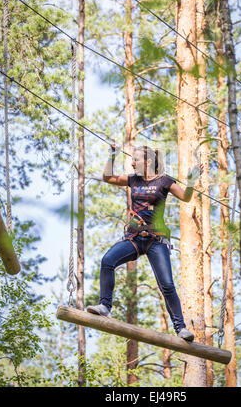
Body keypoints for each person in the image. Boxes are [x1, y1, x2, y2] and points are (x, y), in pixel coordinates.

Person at [87, 145, 202, 342]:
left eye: (135, 159)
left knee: (166, 285)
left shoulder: (164, 181)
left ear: (148, 162)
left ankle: (180, 328)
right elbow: (108, 178)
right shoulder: (133, 180)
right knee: (107, 261)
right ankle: (105, 306)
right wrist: (112, 157)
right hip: (134, 238)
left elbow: (186, 196)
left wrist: (191, 181)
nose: (132, 163)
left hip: (156, 240)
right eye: (131, 159)